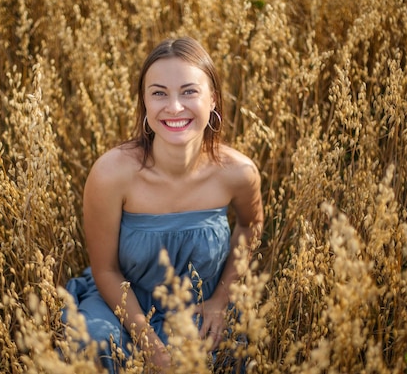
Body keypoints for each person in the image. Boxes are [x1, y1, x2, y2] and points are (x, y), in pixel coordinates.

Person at [63, 36, 263, 372]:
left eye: (189, 91)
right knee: (94, 346)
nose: (173, 107)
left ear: (212, 99)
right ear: (144, 102)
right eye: (159, 93)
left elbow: (249, 225)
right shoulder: (111, 174)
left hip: (201, 308)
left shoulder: (238, 173)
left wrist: (221, 300)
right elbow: (106, 270)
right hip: (123, 305)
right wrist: (150, 346)